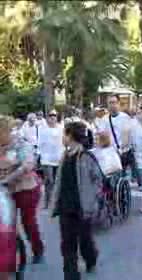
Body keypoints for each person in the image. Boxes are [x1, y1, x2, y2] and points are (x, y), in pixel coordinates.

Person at [50, 122, 101, 280]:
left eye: (65, 134)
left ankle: (91, 258)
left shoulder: (87, 157)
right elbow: (59, 182)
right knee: (67, 244)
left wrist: (91, 200)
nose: (62, 138)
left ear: (71, 136)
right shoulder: (64, 156)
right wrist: (54, 203)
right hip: (66, 206)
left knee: (85, 240)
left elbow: (98, 180)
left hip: (82, 207)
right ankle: (71, 276)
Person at [0, 115, 44, 264]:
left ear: (6, 131)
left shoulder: (20, 144)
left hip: (26, 189)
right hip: (5, 191)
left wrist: (8, 178)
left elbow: (27, 165)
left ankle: (37, 250)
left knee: (28, 222)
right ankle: (12, 253)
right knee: (7, 224)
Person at [38, 110, 64, 209]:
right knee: (49, 180)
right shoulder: (42, 129)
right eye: (50, 116)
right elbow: (39, 143)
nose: (52, 117)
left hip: (59, 158)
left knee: (58, 181)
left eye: (54, 115)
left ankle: (58, 203)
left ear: (57, 117)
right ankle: (47, 202)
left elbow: (65, 142)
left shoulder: (61, 128)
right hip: (46, 159)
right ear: (47, 118)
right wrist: (39, 155)